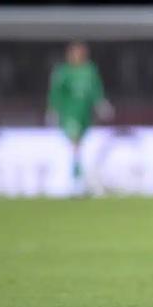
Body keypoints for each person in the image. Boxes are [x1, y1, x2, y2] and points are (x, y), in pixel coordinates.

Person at [47, 41, 113, 195]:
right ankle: (76, 182)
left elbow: (96, 89)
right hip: (69, 113)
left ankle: (81, 179)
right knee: (75, 143)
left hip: (85, 114)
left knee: (81, 146)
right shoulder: (63, 71)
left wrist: (101, 104)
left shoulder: (90, 70)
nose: (78, 55)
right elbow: (56, 91)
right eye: (75, 52)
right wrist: (53, 109)